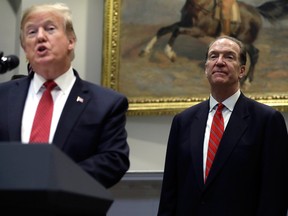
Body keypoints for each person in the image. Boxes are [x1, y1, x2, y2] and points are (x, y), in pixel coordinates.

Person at [0, 3, 130, 189]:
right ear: (24, 48)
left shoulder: (105, 104)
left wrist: (55, 178)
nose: (40, 37)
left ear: (71, 41)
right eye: (31, 32)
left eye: (50, 29)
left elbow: (113, 160)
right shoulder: (3, 97)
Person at [157, 36, 288, 216]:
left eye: (229, 56)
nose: (219, 62)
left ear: (242, 71)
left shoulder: (267, 120)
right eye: (213, 56)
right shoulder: (183, 121)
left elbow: (274, 194)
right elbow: (170, 190)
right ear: (206, 69)